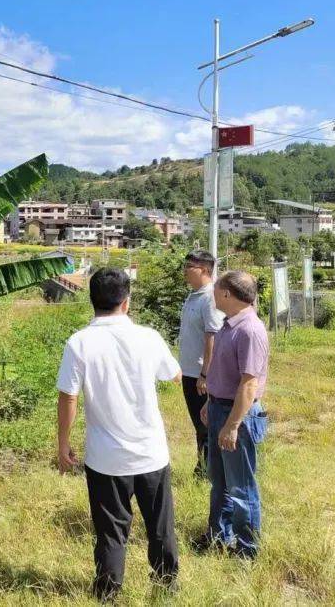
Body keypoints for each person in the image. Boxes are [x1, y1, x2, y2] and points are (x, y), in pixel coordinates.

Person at [56, 268, 182, 600]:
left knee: (111, 532)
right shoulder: (149, 337)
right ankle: (166, 590)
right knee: (160, 527)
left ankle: (108, 593)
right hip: (150, 452)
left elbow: (68, 396)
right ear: (126, 302)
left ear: (91, 300)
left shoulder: (79, 342)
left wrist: (64, 445)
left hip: (105, 458)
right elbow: (174, 374)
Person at [197, 270, 269, 559]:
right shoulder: (229, 325)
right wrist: (210, 401)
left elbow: (249, 384)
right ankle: (218, 536)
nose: (213, 294)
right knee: (221, 482)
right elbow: (223, 371)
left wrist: (232, 424)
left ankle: (246, 550)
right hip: (219, 407)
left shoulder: (250, 330)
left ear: (227, 294)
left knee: (241, 486)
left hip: (236, 414)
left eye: (216, 289)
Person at [177, 250, 224, 477]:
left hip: (200, 375)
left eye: (190, 266)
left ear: (204, 270)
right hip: (189, 371)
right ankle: (204, 467)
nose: (186, 270)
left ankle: (206, 471)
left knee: (205, 424)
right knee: (199, 424)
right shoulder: (193, 295)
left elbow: (212, 336)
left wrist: (206, 374)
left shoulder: (209, 298)